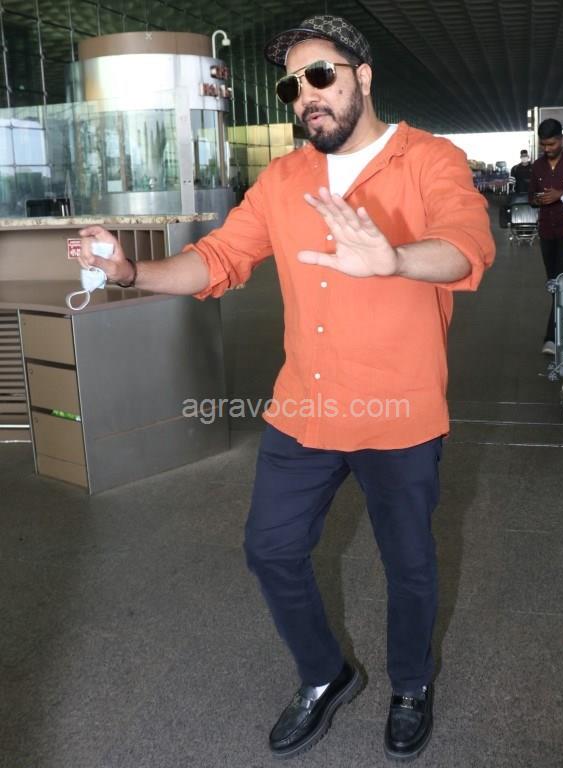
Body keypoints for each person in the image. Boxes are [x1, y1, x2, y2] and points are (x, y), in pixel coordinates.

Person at [77, 14, 495, 762]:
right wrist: (128, 271)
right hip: (304, 407)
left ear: (363, 77)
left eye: (321, 75)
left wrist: (395, 260)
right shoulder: (283, 179)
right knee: (270, 550)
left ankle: (409, 684)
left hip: (398, 410)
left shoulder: (430, 158)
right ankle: (325, 673)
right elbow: (217, 259)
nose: (306, 95)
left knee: (409, 567)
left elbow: (465, 246)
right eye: (291, 86)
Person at [528, 119, 563, 355]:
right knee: (554, 284)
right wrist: (537, 199)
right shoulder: (537, 166)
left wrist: (561, 194)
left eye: (551, 144)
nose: (547, 149)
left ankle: (553, 338)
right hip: (547, 232)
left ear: (562, 140)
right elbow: (530, 196)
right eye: (543, 145)